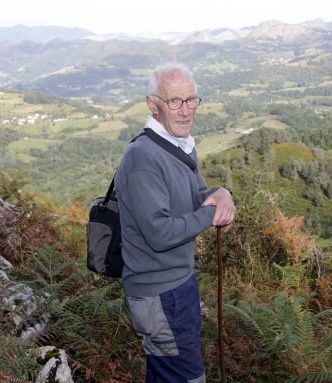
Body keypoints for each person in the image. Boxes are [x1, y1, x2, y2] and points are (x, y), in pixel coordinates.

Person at [114, 61, 235, 382]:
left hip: (177, 284)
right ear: (153, 105)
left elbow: (198, 195)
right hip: (159, 293)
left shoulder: (178, 146)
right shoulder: (144, 158)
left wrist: (222, 193)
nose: (186, 111)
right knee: (185, 377)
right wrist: (212, 213)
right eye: (174, 101)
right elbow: (160, 233)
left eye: (191, 99)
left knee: (167, 374)